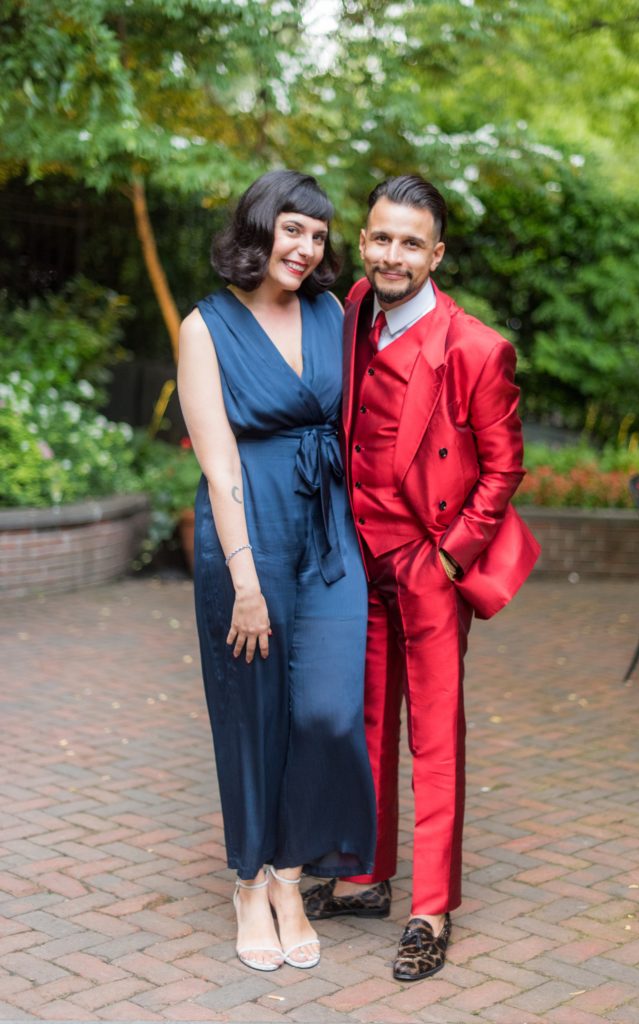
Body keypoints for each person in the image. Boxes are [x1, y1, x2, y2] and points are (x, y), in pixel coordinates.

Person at [303, 175, 540, 981]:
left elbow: (504, 470)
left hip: (429, 564)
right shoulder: (350, 315)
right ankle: (365, 874)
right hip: (356, 560)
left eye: (410, 242)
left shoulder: (475, 347)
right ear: (362, 243)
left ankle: (430, 910)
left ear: (435, 254)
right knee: (364, 718)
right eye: (379, 238)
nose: (391, 254)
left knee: (435, 737)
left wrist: (447, 557)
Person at [177, 170, 376, 974]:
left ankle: (295, 875)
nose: (305, 247)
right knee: (252, 716)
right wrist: (245, 580)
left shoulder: (330, 312)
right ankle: (252, 882)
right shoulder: (204, 326)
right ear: (259, 228)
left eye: (318, 235)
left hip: (327, 535)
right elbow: (217, 456)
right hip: (246, 529)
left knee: (327, 712)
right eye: (292, 229)